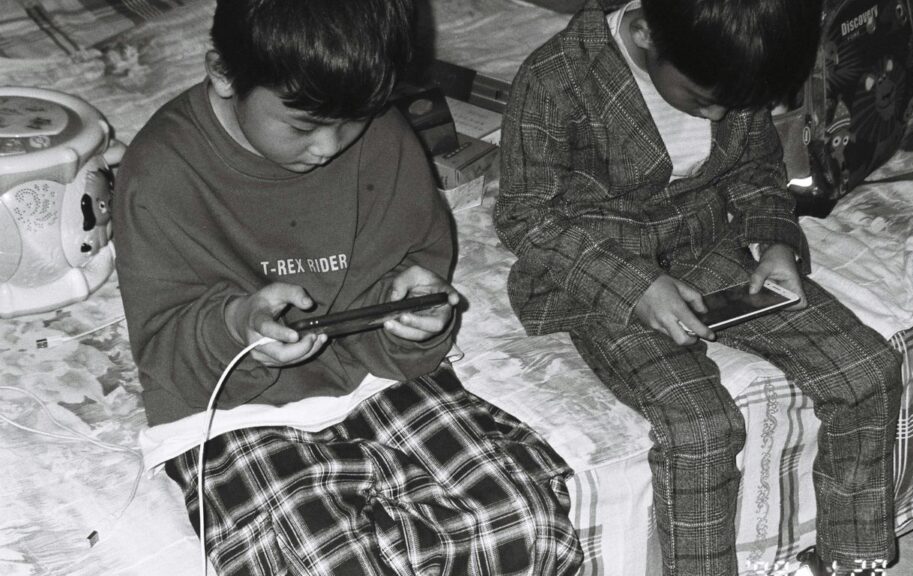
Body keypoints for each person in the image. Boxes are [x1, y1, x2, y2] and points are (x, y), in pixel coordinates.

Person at [112, 0, 582, 574]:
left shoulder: (380, 134)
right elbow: (167, 348)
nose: (330, 146)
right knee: (320, 555)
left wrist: (415, 319)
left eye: (354, 119)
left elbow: (410, 281)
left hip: (376, 380)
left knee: (521, 518)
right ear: (224, 73)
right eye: (303, 125)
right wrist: (240, 325)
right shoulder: (160, 171)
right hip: (233, 410)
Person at [494, 1, 904, 575]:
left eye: (733, 105)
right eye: (701, 99)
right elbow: (525, 216)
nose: (717, 115)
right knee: (702, 429)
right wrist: (637, 286)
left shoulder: (737, 65)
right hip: (604, 273)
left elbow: (756, 169)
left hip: (710, 248)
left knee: (866, 369)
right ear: (643, 33)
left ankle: (852, 557)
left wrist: (775, 240)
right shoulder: (556, 76)